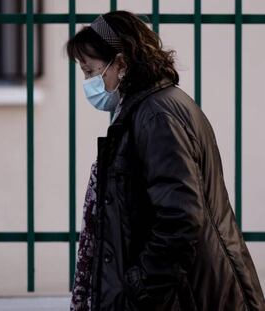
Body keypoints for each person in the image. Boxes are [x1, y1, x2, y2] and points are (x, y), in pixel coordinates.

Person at [65, 10, 265, 311]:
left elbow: (180, 218)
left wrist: (139, 288)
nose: (88, 83)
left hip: (190, 296)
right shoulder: (150, 108)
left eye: (91, 72)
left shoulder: (157, 116)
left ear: (121, 63)